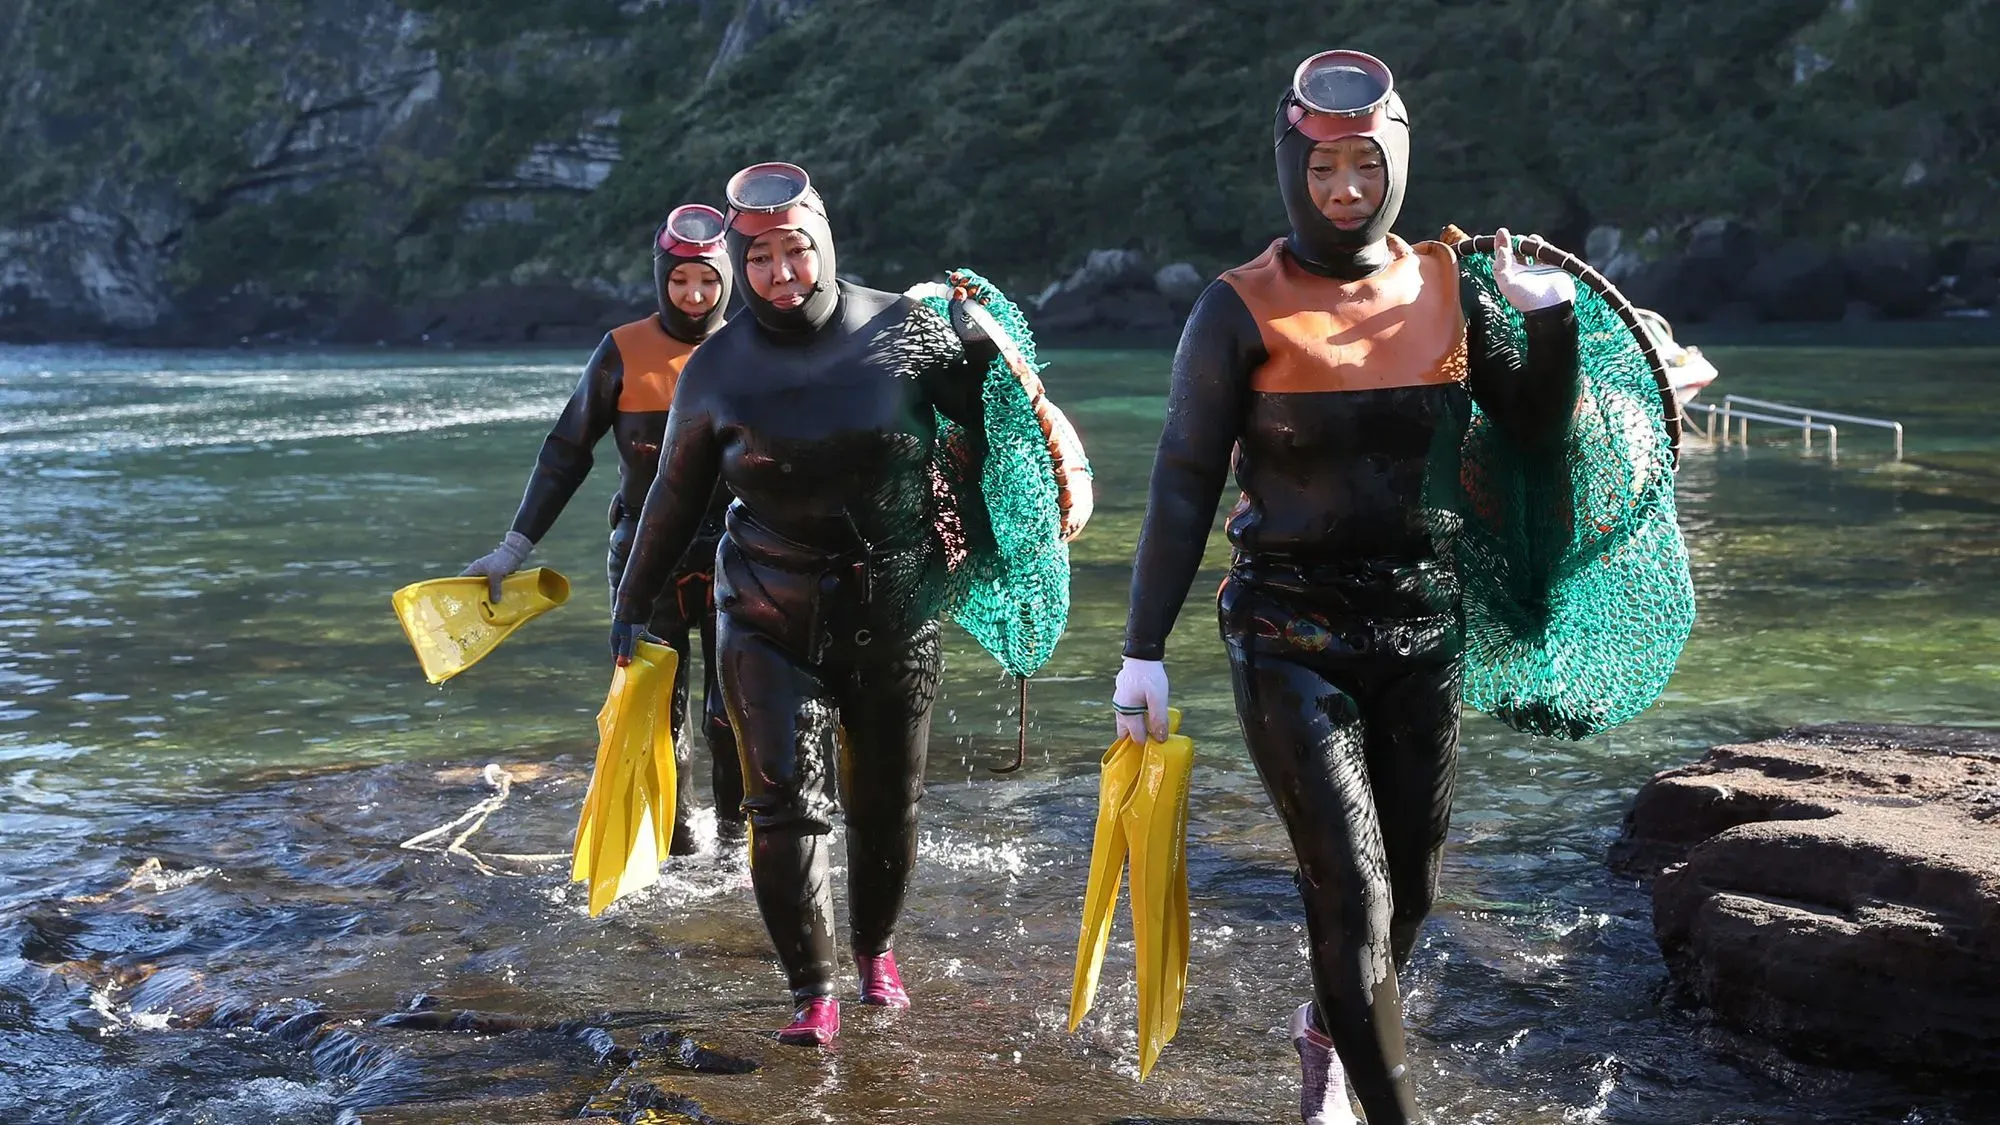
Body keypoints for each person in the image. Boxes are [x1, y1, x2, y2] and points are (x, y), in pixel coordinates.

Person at [1111, 51, 1582, 1124]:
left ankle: (1325, 1027)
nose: (1343, 192)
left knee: (1408, 891)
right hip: (1285, 627)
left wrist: (1544, 322)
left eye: (1363, 168)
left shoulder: (1447, 287)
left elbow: (1530, 436)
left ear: (1395, 167)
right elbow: (1182, 487)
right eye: (1321, 172)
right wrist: (1140, 649)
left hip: (1423, 623)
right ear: (1290, 172)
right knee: (1351, 886)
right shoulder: (1236, 310)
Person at [610, 161, 1082, 1048]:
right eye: (760, 261)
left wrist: (1008, 400)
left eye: (796, 251)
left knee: (887, 805)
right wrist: (630, 609)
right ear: (738, 266)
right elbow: (670, 500)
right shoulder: (717, 368)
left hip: (898, 606)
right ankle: (812, 989)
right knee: (783, 804)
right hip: (764, 605)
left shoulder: (910, 332)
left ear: (824, 240)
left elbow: (1003, 434)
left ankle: (874, 952)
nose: (782, 275)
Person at [463, 204, 746, 853]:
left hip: (740, 559)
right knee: (657, 719)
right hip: (647, 565)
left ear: (727, 278)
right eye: (680, 281)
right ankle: (677, 850)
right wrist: (513, 548)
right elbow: (567, 452)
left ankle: (736, 848)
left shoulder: (748, 347)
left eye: (707, 280)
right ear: (660, 278)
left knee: (731, 717)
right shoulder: (623, 351)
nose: (695, 295)